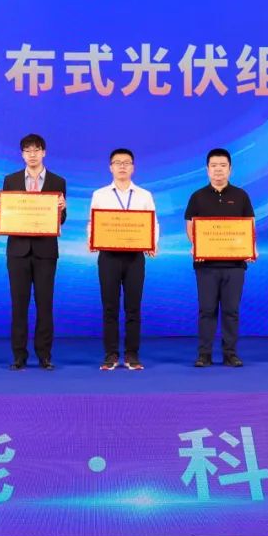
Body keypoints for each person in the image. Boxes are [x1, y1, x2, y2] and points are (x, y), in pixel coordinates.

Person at [0, 133, 67, 370]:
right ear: (22, 154)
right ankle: (19, 355)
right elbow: (7, 215)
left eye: (36, 150)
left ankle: (44, 355)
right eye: (27, 150)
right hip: (18, 251)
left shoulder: (58, 181)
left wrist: (62, 209)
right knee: (19, 304)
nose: (32, 154)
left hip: (46, 251)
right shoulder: (11, 180)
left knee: (45, 305)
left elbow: (60, 220)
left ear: (44, 152)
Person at [184, 148, 255, 368]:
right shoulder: (197, 196)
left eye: (223, 165)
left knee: (231, 311)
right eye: (214, 165)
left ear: (230, 169)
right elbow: (190, 227)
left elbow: (249, 226)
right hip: (206, 265)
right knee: (207, 310)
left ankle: (230, 353)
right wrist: (197, 246)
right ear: (207, 170)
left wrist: (251, 248)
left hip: (235, 265)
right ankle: (204, 354)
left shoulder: (241, 196)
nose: (218, 170)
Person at [88, 148, 159, 371]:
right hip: (108, 257)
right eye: (117, 162)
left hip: (135, 257)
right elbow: (93, 222)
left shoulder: (144, 195)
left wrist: (152, 243)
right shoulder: (100, 194)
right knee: (110, 307)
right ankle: (110, 355)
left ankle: (132, 354)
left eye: (126, 162)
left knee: (133, 307)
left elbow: (153, 223)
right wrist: (92, 240)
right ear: (110, 167)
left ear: (133, 167)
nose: (122, 166)